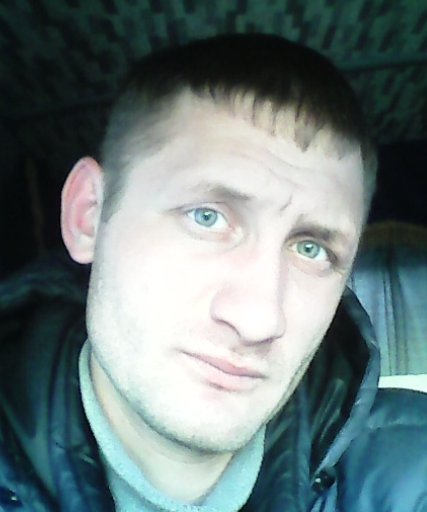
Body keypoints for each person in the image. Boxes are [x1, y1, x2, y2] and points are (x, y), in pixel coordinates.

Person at [1, 33, 427, 512]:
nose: (258, 320)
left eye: (311, 249)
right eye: (207, 217)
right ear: (89, 216)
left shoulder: (409, 470)